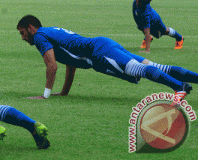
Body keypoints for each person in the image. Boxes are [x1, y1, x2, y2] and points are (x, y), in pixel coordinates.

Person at [16, 15, 195, 106]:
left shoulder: (39, 36)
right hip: (103, 45)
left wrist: (45, 94)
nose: (23, 38)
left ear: (31, 28)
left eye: (22, 33)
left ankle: (179, 87)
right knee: (156, 66)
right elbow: (70, 65)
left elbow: (52, 66)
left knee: (138, 69)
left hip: (100, 52)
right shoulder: (49, 32)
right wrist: (64, 92)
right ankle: (184, 83)